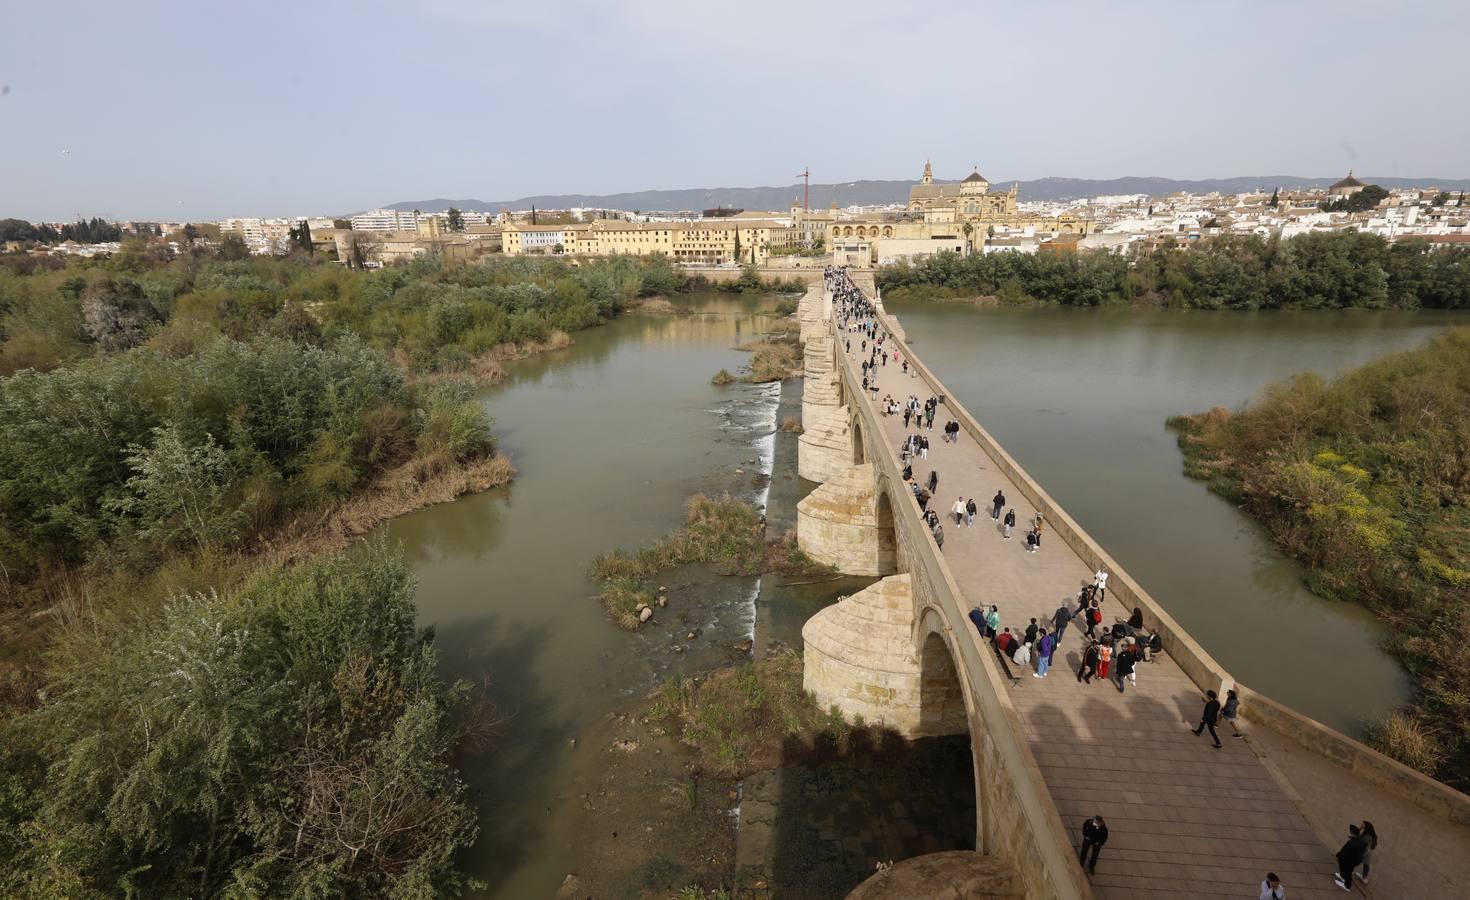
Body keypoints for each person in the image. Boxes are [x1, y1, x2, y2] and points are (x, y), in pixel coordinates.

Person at [1335, 824, 1370, 891]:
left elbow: (1344, 851)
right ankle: (1342, 876)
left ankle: (1347, 886)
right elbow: (1365, 850)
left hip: (1350, 860)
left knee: (1348, 871)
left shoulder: (1351, 842)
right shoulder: (1362, 840)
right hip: (1357, 860)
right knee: (1348, 870)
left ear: (1352, 832)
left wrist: (1338, 856)